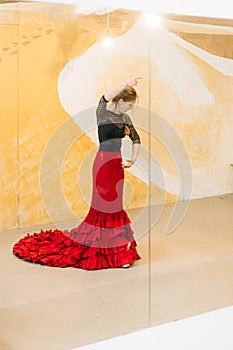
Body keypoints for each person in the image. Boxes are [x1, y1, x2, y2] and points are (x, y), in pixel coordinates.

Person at [13, 75, 142, 270]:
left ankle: (116, 251)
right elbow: (104, 98)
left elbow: (136, 139)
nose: (130, 109)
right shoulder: (104, 113)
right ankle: (110, 251)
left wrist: (133, 159)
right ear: (121, 101)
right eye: (129, 105)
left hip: (116, 166)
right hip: (102, 165)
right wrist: (125, 83)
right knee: (104, 207)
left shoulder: (125, 119)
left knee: (115, 207)